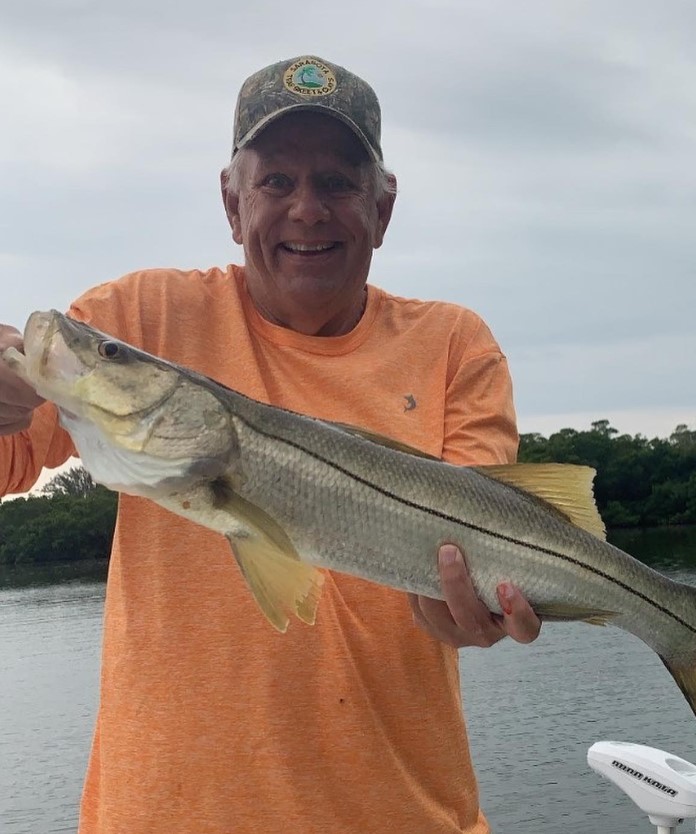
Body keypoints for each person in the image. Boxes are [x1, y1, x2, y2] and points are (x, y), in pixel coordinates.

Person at [0, 55, 541, 834]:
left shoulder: (455, 344)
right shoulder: (136, 317)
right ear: (231, 202)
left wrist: (469, 607)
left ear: (383, 209)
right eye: (276, 182)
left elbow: (479, 547)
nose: (307, 210)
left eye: (338, 182)